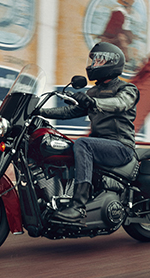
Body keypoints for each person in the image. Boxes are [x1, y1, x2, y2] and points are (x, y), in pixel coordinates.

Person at [39, 42, 139, 224]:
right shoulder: (93, 91)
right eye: (93, 61)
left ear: (111, 63)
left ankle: (78, 206)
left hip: (121, 147)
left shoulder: (127, 89)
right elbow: (70, 112)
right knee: (64, 146)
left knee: (82, 143)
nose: (93, 65)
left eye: (99, 61)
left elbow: (120, 103)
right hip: (100, 145)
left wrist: (92, 102)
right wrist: (39, 111)